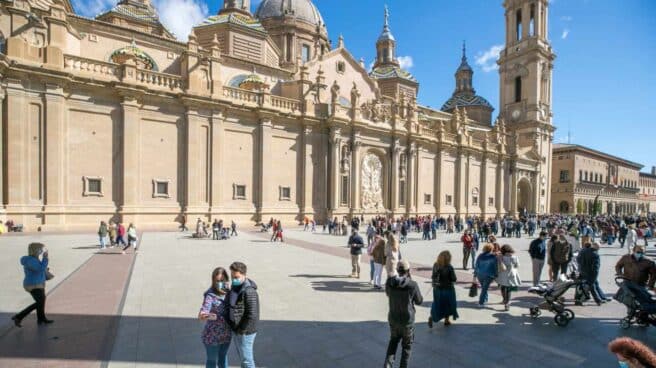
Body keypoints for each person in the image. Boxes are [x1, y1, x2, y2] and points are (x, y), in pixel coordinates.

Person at [384, 260, 423, 368]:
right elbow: (419, 301)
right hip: (407, 321)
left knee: (393, 341)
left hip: (393, 318)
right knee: (406, 347)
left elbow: (388, 294)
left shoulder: (390, 282)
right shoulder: (412, 285)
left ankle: (387, 365)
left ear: (397, 270)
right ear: (408, 270)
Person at [12, 243, 53, 327]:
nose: (42, 251)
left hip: (38, 283)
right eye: (40, 249)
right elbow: (40, 269)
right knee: (40, 302)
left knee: (41, 301)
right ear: (35, 250)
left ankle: (41, 319)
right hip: (33, 285)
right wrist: (45, 258)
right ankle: (18, 317)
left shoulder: (35, 259)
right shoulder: (30, 260)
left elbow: (40, 269)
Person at [227, 262, 259, 368]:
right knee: (243, 358)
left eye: (236, 277)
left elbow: (252, 314)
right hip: (237, 328)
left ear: (244, 275)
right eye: (232, 276)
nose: (233, 279)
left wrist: (241, 330)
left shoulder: (249, 291)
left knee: (247, 360)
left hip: (245, 332)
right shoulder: (236, 286)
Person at [199, 267, 232, 368]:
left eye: (222, 280)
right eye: (217, 281)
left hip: (226, 334)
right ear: (213, 281)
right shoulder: (210, 295)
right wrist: (204, 315)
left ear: (226, 280)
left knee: (223, 359)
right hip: (212, 336)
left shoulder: (229, 292)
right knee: (212, 361)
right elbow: (204, 311)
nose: (220, 283)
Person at [429, 251, 458, 328]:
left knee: (437, 303)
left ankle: (432, 317)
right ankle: (446, 320)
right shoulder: (449, 267)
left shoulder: (435, 265)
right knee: (448, 304)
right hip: (448, 289)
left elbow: (433, 276)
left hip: (437, 288)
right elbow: (454, 279)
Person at [576, 241, 603, 305]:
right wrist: (594, 277)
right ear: (597, 247)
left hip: (582, 271)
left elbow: (578, 259)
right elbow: (595, 268)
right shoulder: (595, 255)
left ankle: (597, 300)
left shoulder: (583, 251)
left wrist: (581, 267)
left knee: (585, 286)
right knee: (590, 286)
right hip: (590, 273)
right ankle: (597, 300)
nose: (599, 249)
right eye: (599, 248)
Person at [497, 245, 521, 311]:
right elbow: (517, 266)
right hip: (511, 275)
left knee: (502, 287)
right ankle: (507, 303)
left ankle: (504, 299)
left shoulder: (501, 257)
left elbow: (498, 265)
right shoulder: (514, 257)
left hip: (502, 274)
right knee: (509, 290)